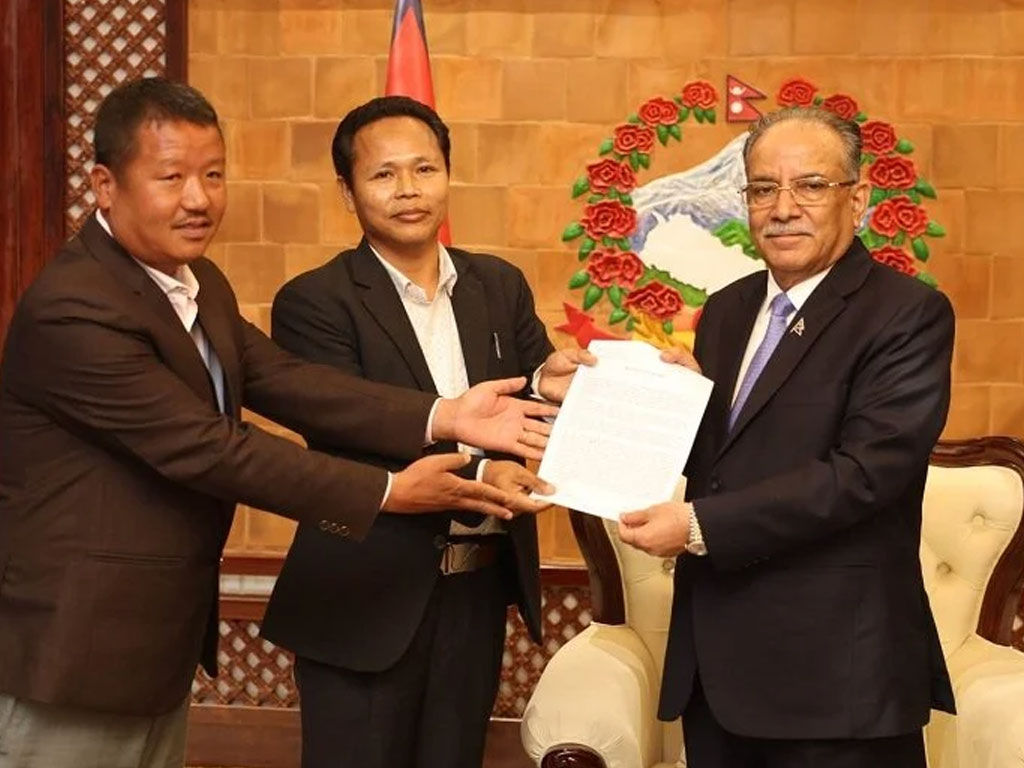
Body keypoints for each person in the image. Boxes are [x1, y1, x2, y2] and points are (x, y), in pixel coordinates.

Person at [0, 78, 557, 768]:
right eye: (171, 178)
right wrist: (387, 491)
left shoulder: (195, 283)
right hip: (71, 643)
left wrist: (445, 414)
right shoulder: (77, 305)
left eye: (213, 175)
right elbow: (211, 449)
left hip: (150, 641)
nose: (199, 199)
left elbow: (286, 381)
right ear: (104, 186)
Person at [259, 95, 594, 768]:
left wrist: (551, 382)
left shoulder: (497, 284)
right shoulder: (314, 301)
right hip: (364, 598)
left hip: (476, 592)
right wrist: (482, 472)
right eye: (384, 174)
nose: (408, 190)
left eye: (424, 169)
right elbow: (346, 429)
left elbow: (521, 404)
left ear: (447, 175)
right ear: (347, 191)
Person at [618, 107, 956, 767]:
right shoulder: (727, 309)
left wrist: (697, 525)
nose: (783, 208)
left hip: (834, 684)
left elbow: (866, 474)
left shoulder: (906, 314)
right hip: (716, 671)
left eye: (811, 186)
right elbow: (727, 458)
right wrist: (661, 405)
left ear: (857, 198)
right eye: (763, 188)